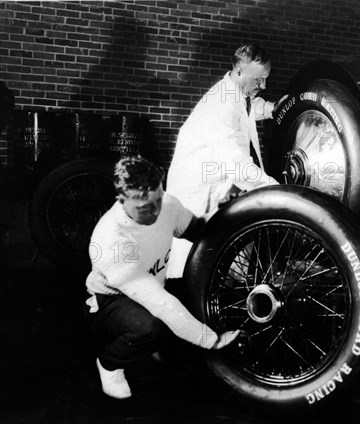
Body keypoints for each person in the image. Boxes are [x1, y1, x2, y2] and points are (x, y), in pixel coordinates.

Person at [85, 156, 239, 400]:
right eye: (146, 208)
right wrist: (211, 340)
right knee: (152, 327)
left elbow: (199, 230)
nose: (156, 211)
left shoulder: (167, 205)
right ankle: (109, 363)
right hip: (111, 302)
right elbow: (161, 304)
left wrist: (225, 210)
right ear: (121, 200)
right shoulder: (111, 239)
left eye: (158, 200)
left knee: (191, 319)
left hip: (156, 288)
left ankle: (158, 346)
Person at [166, 42, 287, 279]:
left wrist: (272, 108)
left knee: (213, 257)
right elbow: (237, 165)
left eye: (266, 79)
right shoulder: (221, 105)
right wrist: (277, 190)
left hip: (213, 186)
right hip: (198, 193)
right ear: (239, 72)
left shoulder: (233, 90)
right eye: (258, 80)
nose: (264, 85)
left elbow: (250, 107)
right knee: (190, 264)